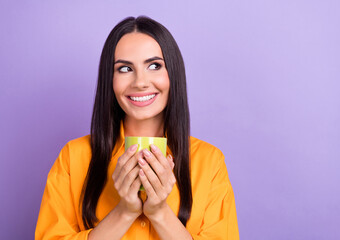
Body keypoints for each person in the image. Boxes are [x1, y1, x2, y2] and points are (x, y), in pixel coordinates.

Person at [35, 16, 239, 240]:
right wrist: (125, 211)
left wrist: (159, 212)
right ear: (109, 80)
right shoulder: (73, 158)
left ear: (174, 74)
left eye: (154, 66)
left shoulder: (209, 162)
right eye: (124, 69)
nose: (140, 82)